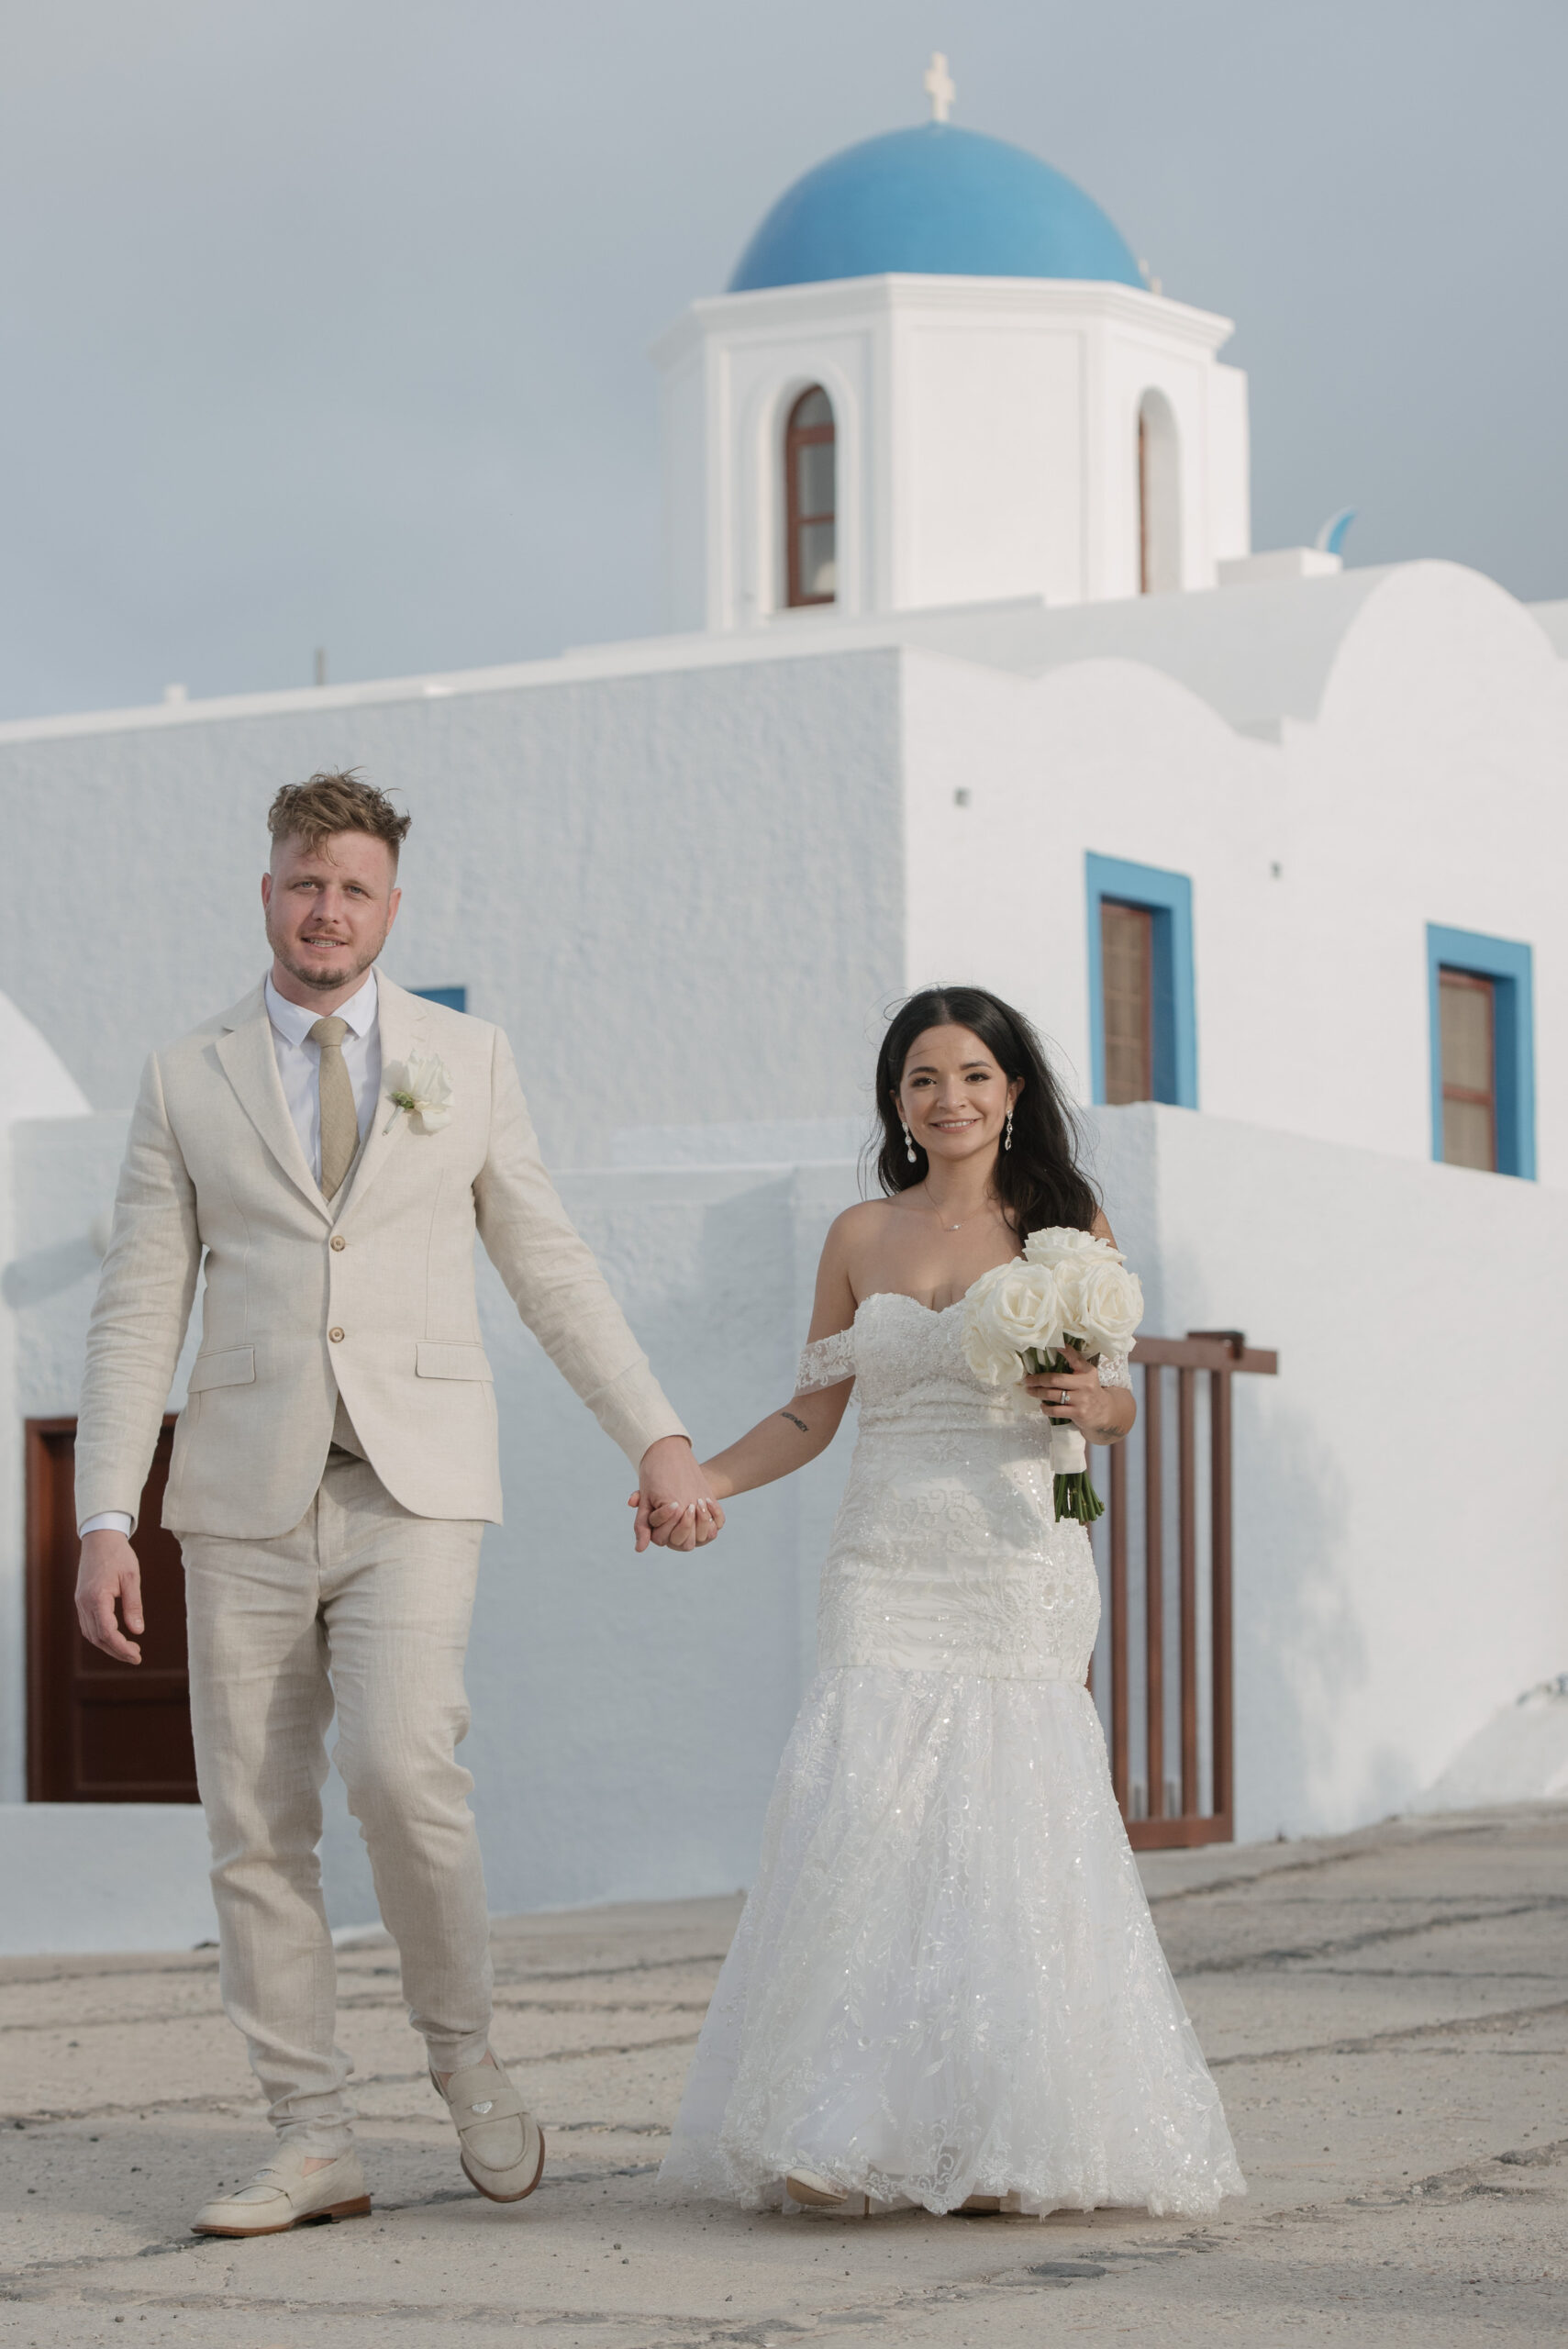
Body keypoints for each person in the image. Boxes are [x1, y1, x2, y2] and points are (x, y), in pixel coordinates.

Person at [72, 770, 721, 2238]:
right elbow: (136, 1310)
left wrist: (659, 1438)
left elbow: (548, 1264)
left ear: (390, 906)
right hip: (237, 1496)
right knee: (253, 1823)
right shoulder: (188, 1076)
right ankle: (310, 2135)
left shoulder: (467, 1058)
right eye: (305, 881)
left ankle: (465, 2059)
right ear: (268, 891)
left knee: (404, 1776)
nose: (327, 908)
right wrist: (106, 1512)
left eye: (354, 887)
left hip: (414, 1489)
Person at [658, 985, 1243, 2219]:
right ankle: (841, 2128)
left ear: (1012, 1092)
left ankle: (1003, 2137)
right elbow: (813, 1410)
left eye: (973, 1074)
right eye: (922, 1077)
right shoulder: (858, 1234)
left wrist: (1102, 1410)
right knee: (868, 1814)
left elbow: (1116, 1394)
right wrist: (703, 1481)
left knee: (1004, 1828)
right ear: (896, 1101)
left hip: (1017, 1553)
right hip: (884, 1555)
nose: (949, 1098)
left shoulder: (1063, 1225)